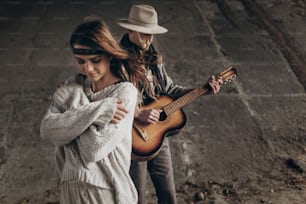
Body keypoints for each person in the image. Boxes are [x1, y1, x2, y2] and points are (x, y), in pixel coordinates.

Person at [117, 4, 222, 204]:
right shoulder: (117, 60)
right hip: (131, 139)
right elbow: (107, 101)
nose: (149, 39)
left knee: (168, 196)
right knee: (134, 198)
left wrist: (201, 90)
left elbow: (170, 90)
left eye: (152, 34)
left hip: (158, 135)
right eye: (144, 34)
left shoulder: (154, 56)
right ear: (130, 30)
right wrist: (137, 113)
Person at [40, 16, 146, 204]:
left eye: (95, 60)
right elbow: (47, 131)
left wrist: (69, 123)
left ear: (109, 55)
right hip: (70, 188)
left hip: (107, 191)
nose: (88, 69)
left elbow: (93, 150)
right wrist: (100, 108)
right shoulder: (74, 89)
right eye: (80, 61)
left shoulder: (124, 93)